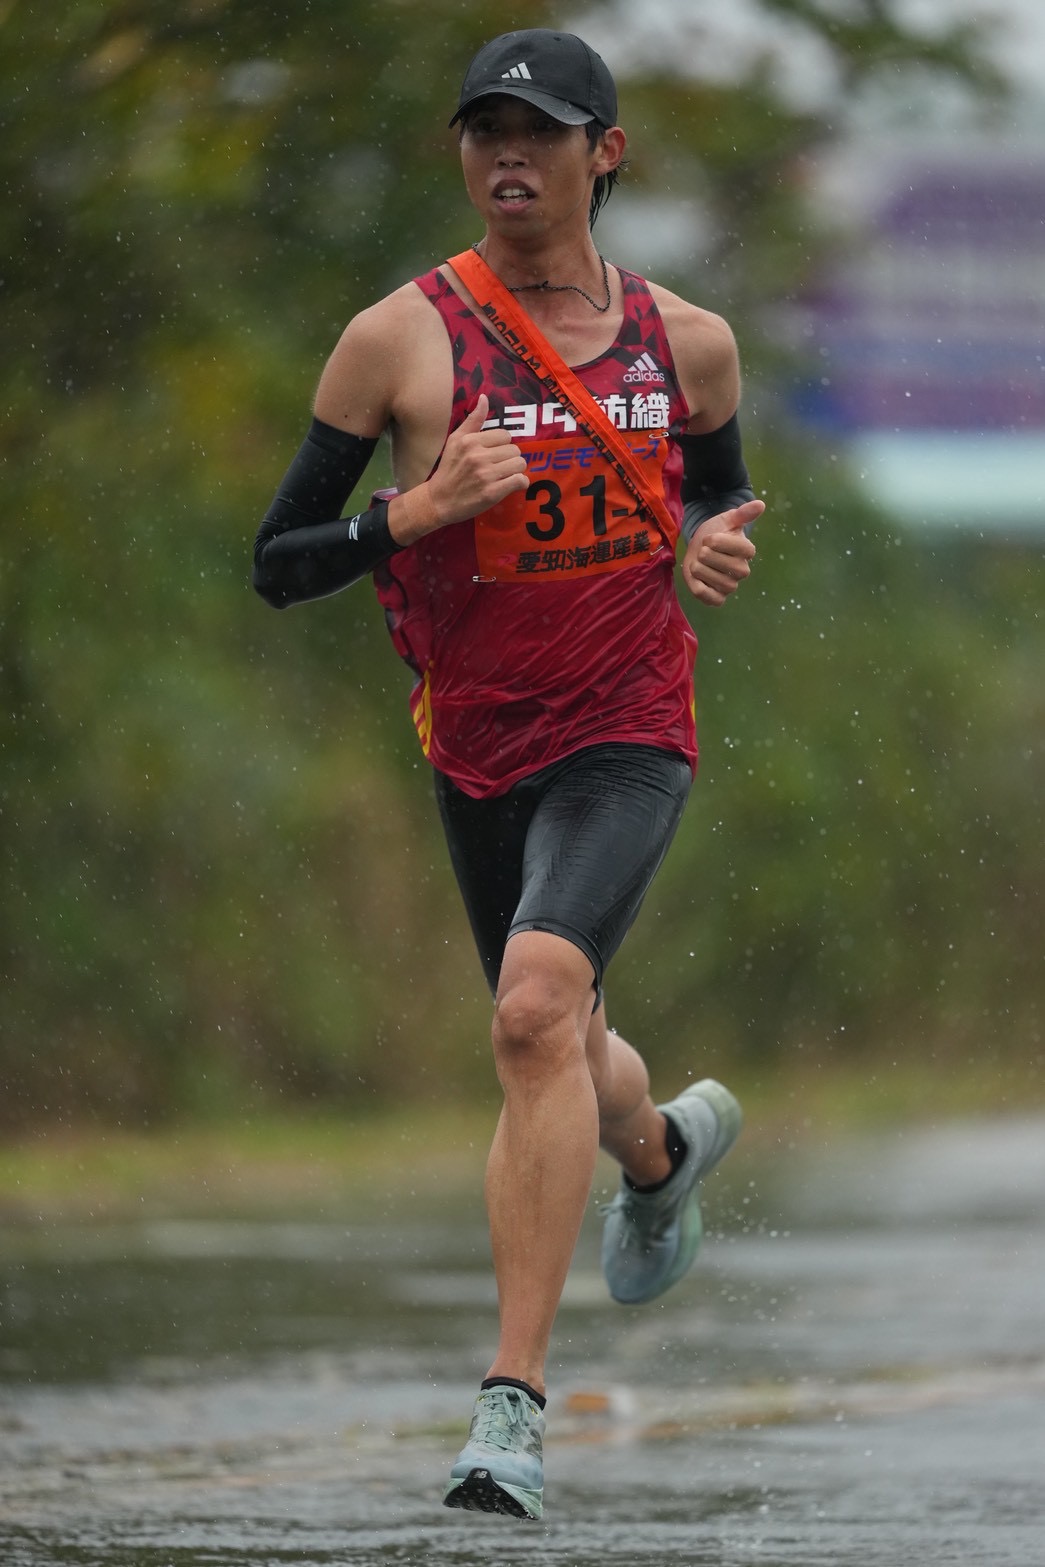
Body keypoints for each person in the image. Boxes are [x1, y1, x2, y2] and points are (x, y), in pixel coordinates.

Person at [252, 28, 764, 1522]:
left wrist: (715, 540)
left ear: (604, 154)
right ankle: (659, 1149)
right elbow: (279, 564)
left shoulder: (693, 342)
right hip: (474, 742)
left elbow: (720, 493)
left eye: (536, 131)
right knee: (559, 1041)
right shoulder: (395, 340)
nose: (504, 156)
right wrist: (412, 514)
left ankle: (510, 1415)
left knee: (532, 1008)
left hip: (628, 728)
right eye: (482, 131)